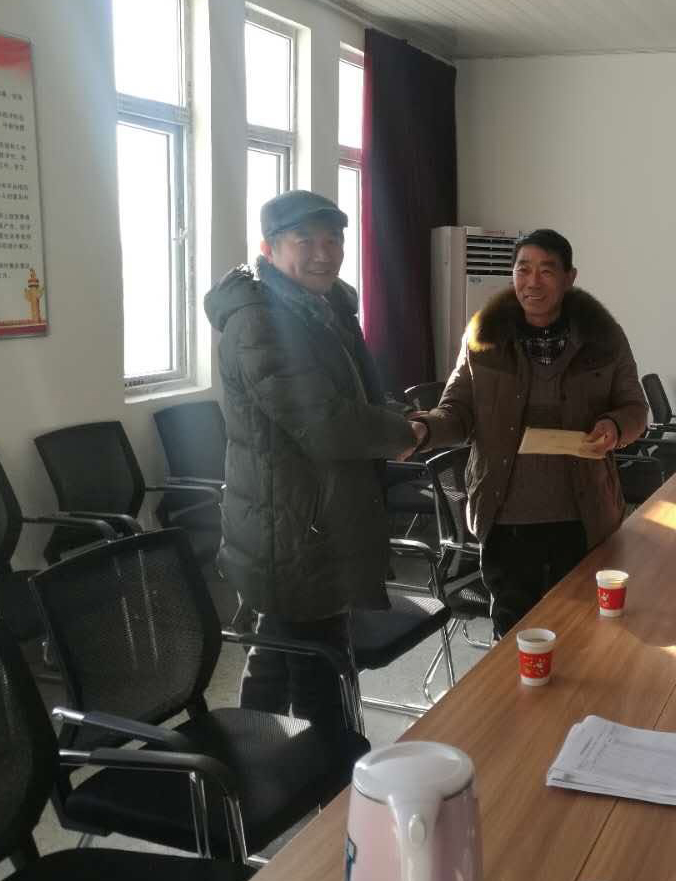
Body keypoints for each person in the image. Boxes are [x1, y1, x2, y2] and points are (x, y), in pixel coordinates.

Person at [204, 190, 415, 729]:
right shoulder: (259, 323)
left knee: (280, 650)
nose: (324, 253)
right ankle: (333, 771)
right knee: (323, 667)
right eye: (305, 240)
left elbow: (356, 394)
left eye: (333, 240)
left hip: (310, 515)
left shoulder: (323, 307)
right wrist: (404, 433)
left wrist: (397, 416)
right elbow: (323, 420)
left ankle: (254, 754)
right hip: (294, 526)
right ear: (268, 249)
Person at [407, 229, 648, 637]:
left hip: (583, 514)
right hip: (506, 514)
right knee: (514, 630)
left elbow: (635, 408)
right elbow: (457, 412)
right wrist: (423, 429)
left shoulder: (604, 338)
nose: (532, 282)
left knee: (583, 631)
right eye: (523, 269)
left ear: (569, 277)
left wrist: (614, 426)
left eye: (546, 271)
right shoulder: (483, 338)